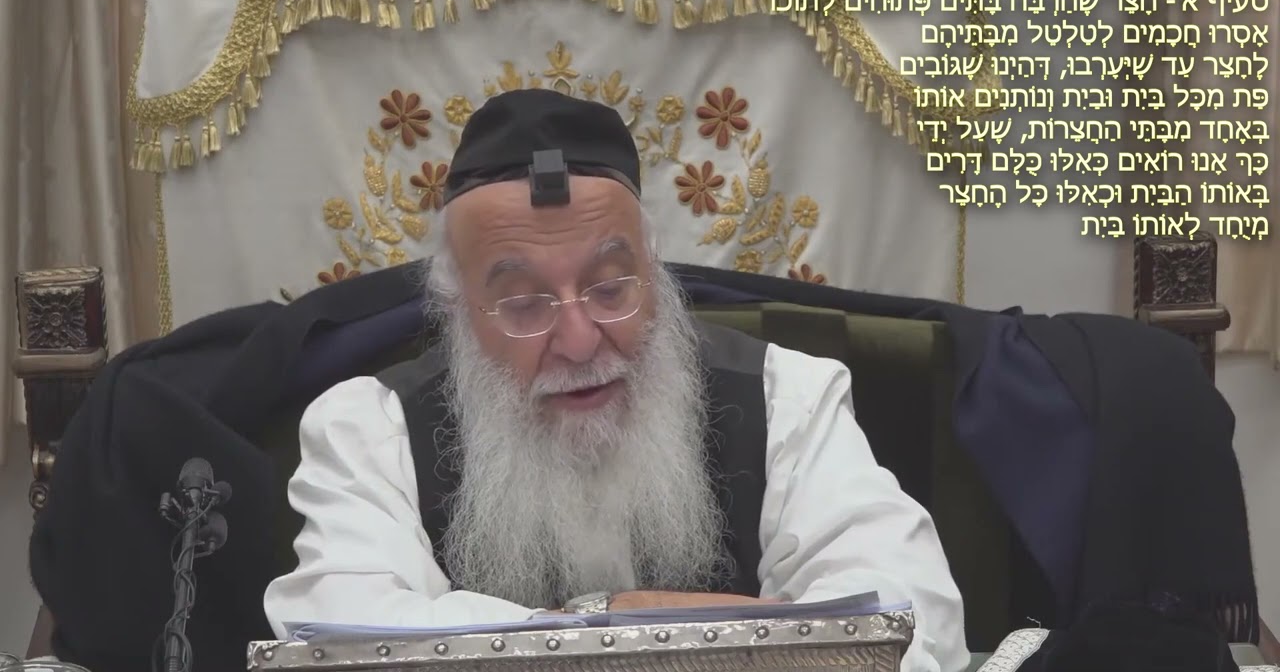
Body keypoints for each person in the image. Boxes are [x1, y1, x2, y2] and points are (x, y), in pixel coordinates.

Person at [262, 88, 969, 672]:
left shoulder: (786, 396)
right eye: (523, 304)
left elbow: (907, 625)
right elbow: (336, 645)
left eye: (610, 288)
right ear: (457, 311)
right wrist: (616, 622)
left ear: (655, 277)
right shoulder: (369, 430)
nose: (578, 341)